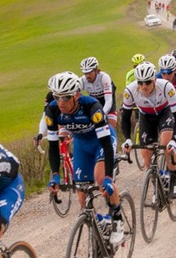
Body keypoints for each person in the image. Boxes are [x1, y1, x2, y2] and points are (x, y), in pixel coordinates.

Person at [44, 71, 126, 245]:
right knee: (81, 195)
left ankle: (118, 219)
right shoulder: (51, 110)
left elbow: (105, 144)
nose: (60, 102)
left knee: (100, 178)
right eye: (57, 97)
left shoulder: (92, 107)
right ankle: (100, 223)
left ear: (77, 95)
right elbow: (52, 146)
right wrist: (55, 174)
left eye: (65, 98)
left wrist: (109, 177)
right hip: (81, 144)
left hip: (101, 142)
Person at [120, 61, 176, 199]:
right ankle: (157, 183)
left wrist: (174, 140)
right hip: (146, 117)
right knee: (146, 154)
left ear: (155, 79)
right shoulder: (130, 90)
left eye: (147, 82)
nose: (144, 86)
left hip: (164, 113)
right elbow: (125, 117)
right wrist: (127, 139)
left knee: (167, 145)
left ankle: (174, 178)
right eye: (140, 82)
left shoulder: (166, 86)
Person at [79, 56, 116, 128]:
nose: (87, 76)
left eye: (90, 73)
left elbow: (109, 101)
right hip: (95, 102)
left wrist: (102, 115)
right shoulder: (82, 80)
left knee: (110, 127)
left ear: (96, 70)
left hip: (107, 100)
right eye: (85, 73)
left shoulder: (104, 77)